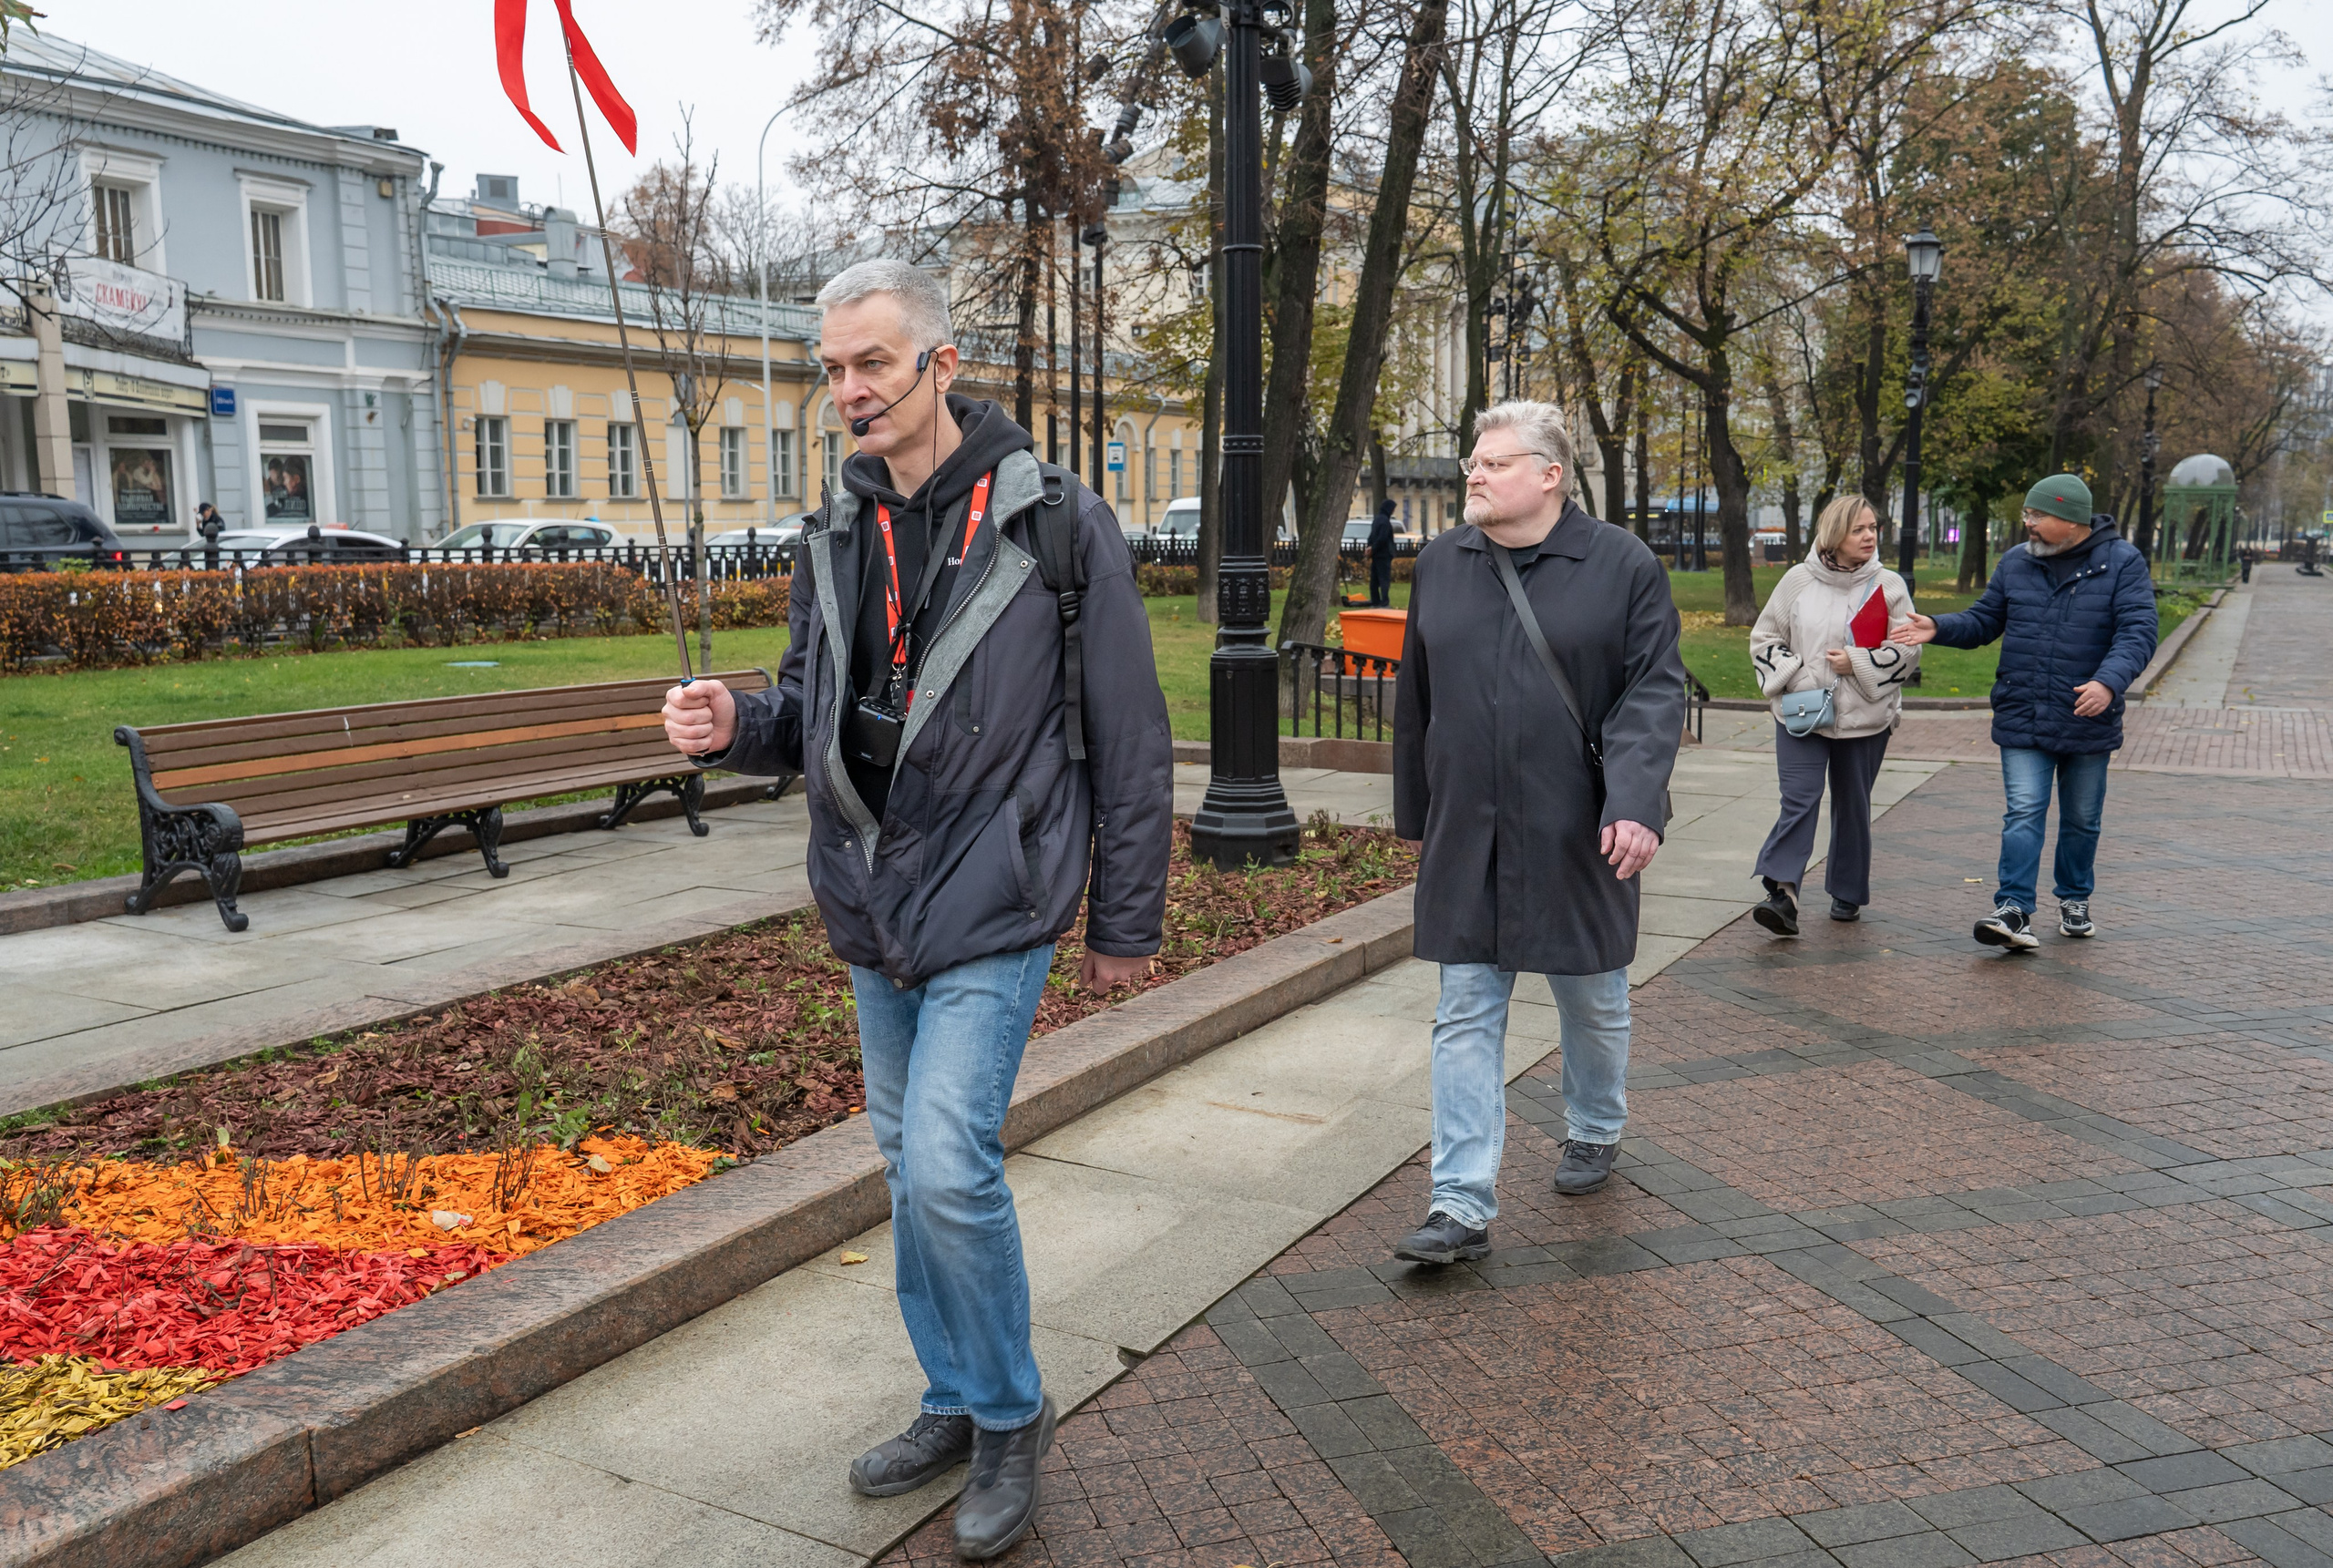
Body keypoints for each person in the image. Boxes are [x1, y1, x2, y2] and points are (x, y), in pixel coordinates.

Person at [659, 259, 1172, 1560]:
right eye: (832, 368)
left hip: (998, 892)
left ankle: (1007, 1413)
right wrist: (734, 723)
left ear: (941, 365)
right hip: (871, 893)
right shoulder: (836, 527)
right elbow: (806, 707)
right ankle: (951, 1390)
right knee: (908, 1167)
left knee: (947, 1159)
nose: (849, 389)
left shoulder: (1055, 521)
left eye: (873, 363)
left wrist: (1125, 921)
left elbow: (1130, 736)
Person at [1390, 400, 1685, 1264]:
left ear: (1551, 475)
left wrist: (1634, 800)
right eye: (1472, 463)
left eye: (1495, 463)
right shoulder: (1440, 564)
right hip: (1469, 830)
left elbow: (1654, 690)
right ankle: (1459, 1203)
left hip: (1576, 827)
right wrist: (1420, 812)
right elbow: (1417, 697)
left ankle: (1594, 1123)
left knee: (1592, 997)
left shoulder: (1621, 565)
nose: (1474, 475)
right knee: (1465, 1008)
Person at [1891, 473, 2156, 948]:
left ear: (2070, 519)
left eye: (2037, 515)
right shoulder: (2017, 561)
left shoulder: (2122, 563)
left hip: (2087, 716)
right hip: (2024, 711)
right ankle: (2013, 909)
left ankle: (2075, 897)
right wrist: (1938, 626)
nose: (2027, 523)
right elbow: (1984, 620)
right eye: (2027, 514)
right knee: (2023, 812)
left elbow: (2137, 632)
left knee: (2081, 819)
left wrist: (2108, 682)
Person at [1746, 496, 1917, 933]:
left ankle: (1847, 890)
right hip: (1802, 712)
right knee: (1799, 799)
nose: (1869, 536)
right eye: (1858, 529)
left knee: (1853, 804)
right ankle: (1783, 894)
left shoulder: (1889, 586)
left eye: (1873, 528)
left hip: (1866, 719)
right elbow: (1765, 638)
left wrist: (1856, 663)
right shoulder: (1797, 581)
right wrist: (1798, 677)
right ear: (1835, 534)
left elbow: (1907, 651)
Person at [1368, 496, 1397, 607]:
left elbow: (1372, 536)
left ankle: (1375, 601)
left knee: (1374, 580)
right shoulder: (1385, 521)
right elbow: (1383, 538)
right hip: (1384, 554)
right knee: (1384, 579)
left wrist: (1370, 547)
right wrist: (1374, 547)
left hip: (1376, 555)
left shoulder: (1377, 519)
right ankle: (1384, 602)